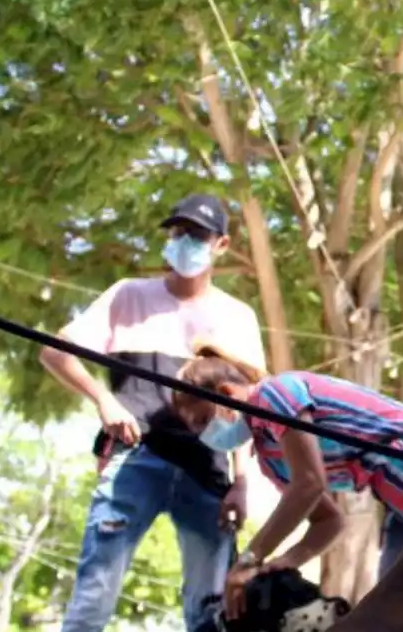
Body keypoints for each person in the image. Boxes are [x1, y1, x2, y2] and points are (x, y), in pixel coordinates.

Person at [39, 194, 267, 632]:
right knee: (93, 598)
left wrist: (242, 483)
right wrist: (104, 401)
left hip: (208, 472)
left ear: (221, 245)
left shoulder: (237, 316)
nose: (185, 242)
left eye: (198, 235)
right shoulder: (129, 295)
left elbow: (245, 411)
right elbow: (55, 352)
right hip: (135, 459)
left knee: (211, 613)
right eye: (178, 232)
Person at [169, 344, 403, 621]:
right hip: (402, 505)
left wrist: (250, 558)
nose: (205, 435)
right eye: (196, 429)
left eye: (203, 420)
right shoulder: (271, 459)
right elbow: (329, 522)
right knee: (396, 614)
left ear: (226, 393)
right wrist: (285, 562)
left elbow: (310, 484)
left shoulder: (274, 393)